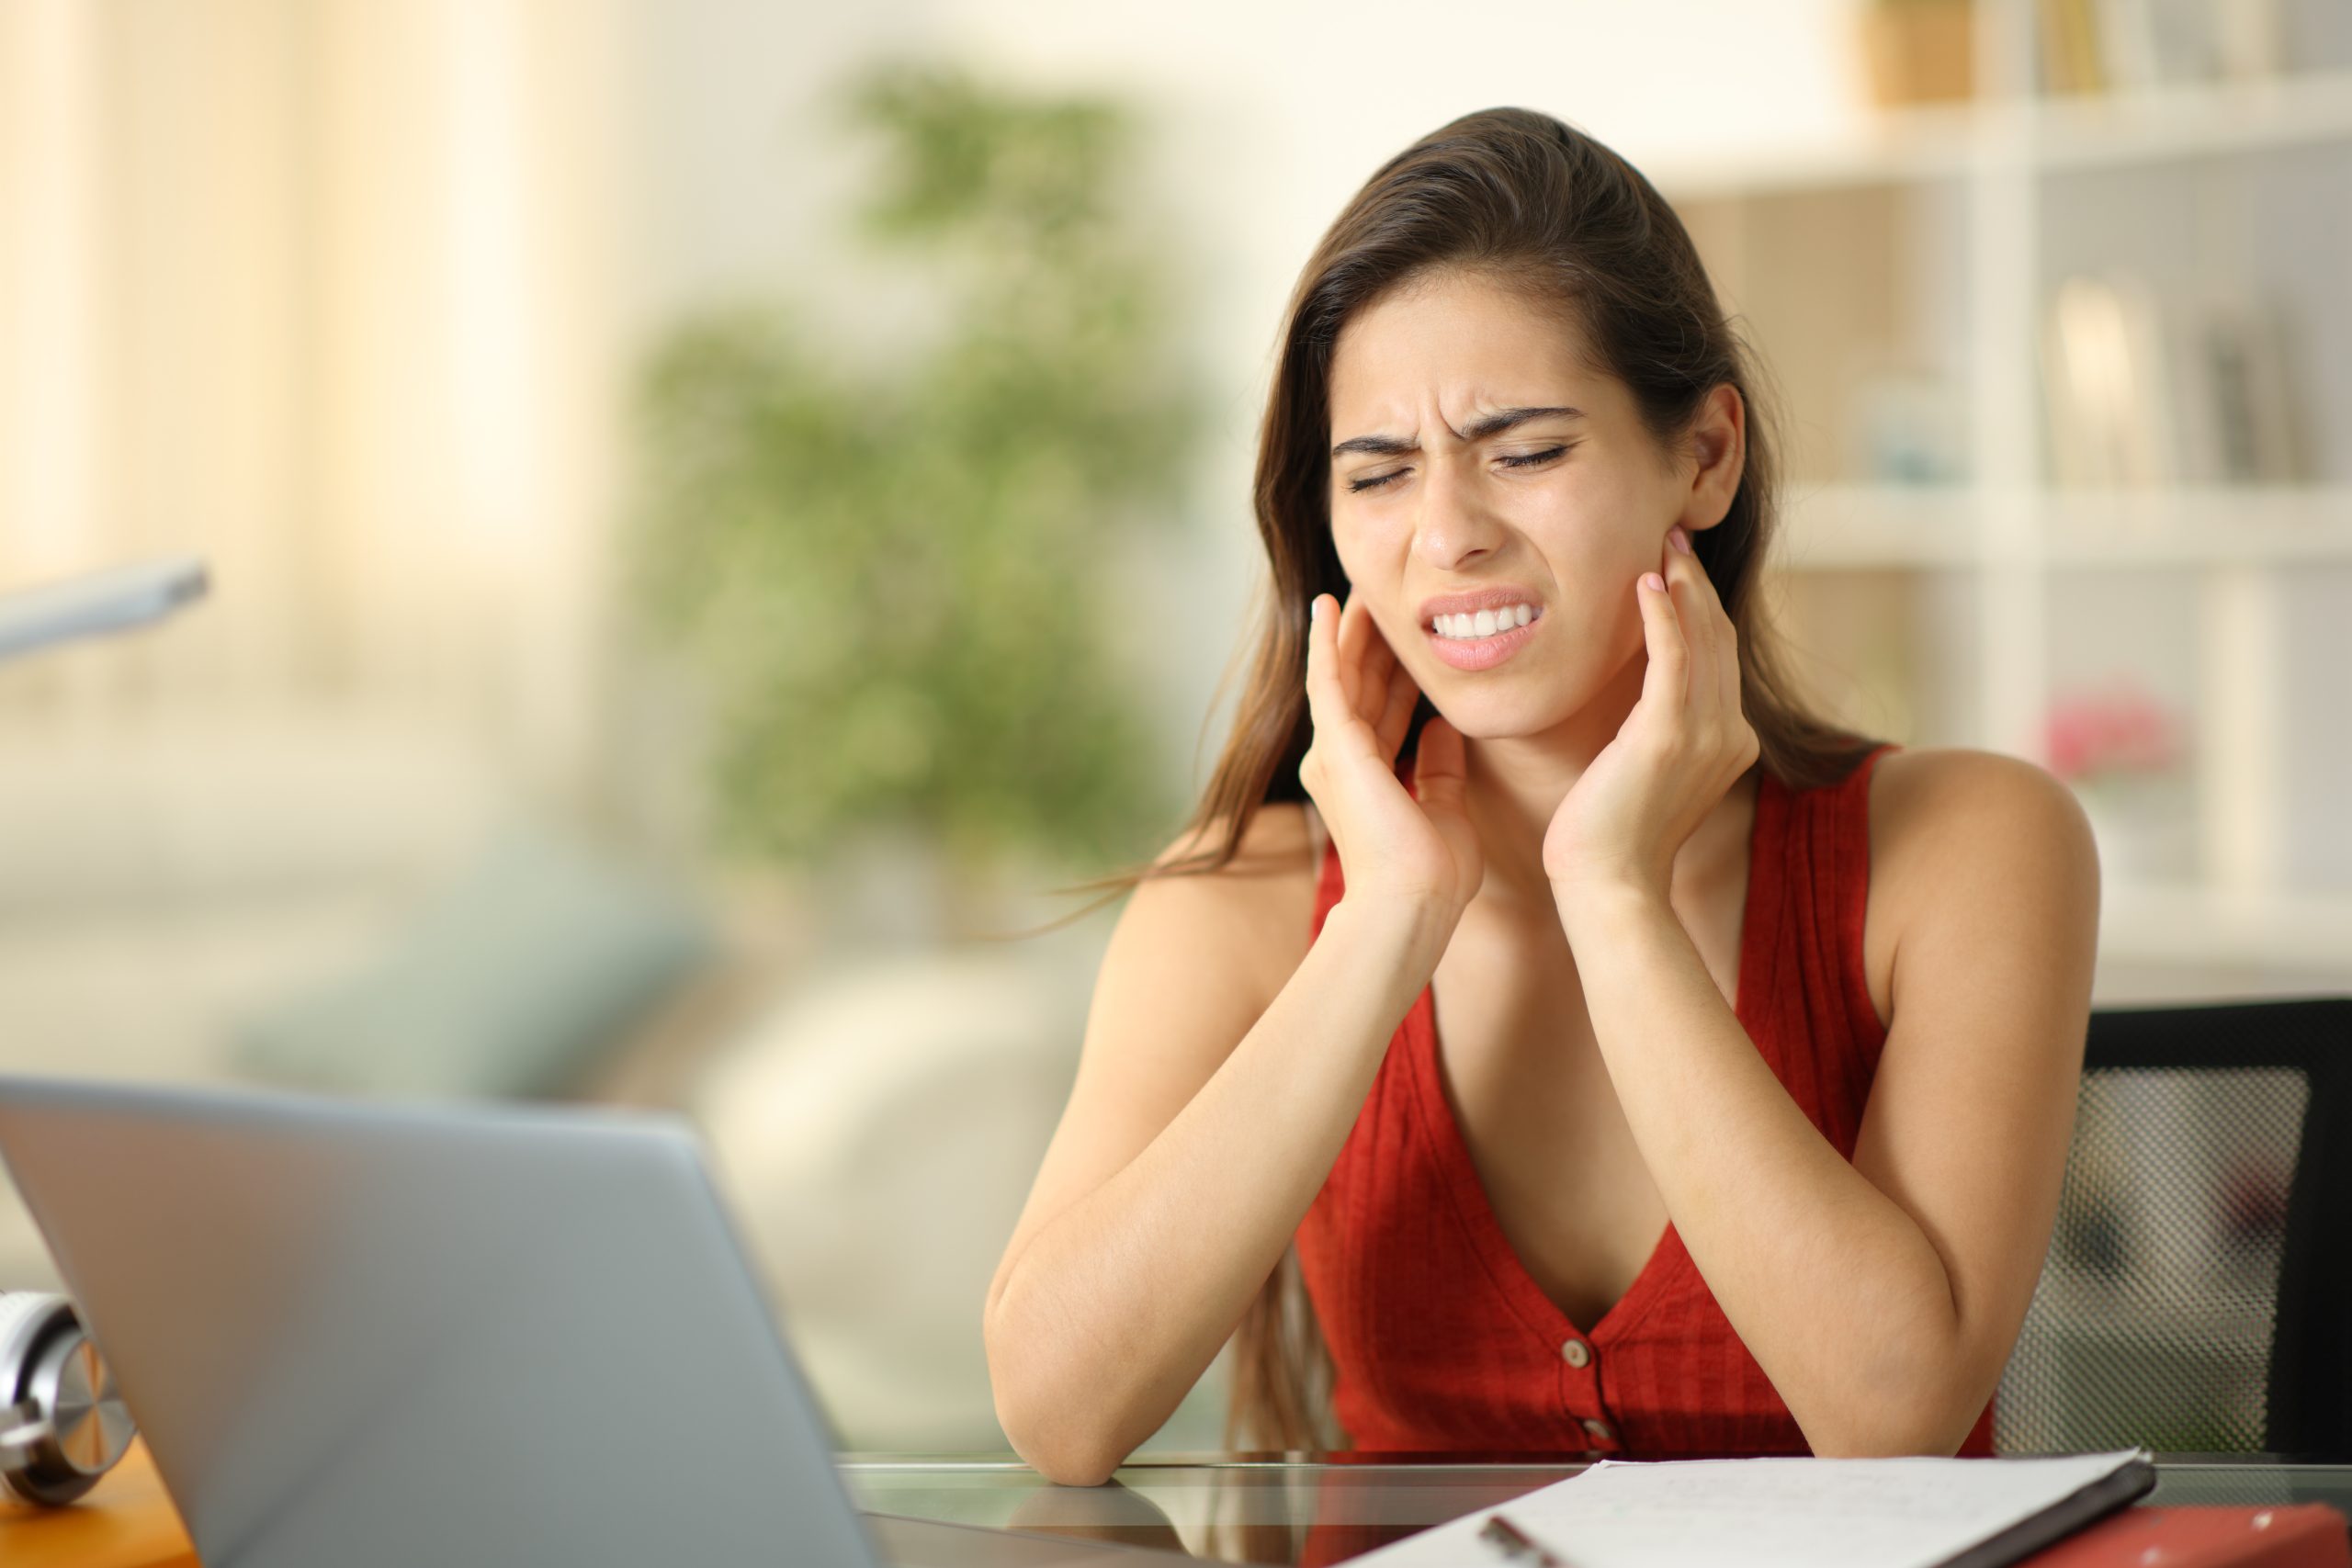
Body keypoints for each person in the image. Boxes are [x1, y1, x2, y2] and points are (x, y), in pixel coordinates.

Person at [982, 107, 2098, 1486]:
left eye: (1524, 451)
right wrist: (1384, 919)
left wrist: (1613, 893)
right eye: (1378, 474)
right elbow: (1057, 1411)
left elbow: (1892, 1415)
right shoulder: (1245, 902)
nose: (1446, 534)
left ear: (1703, 457)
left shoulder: (1967, 846)